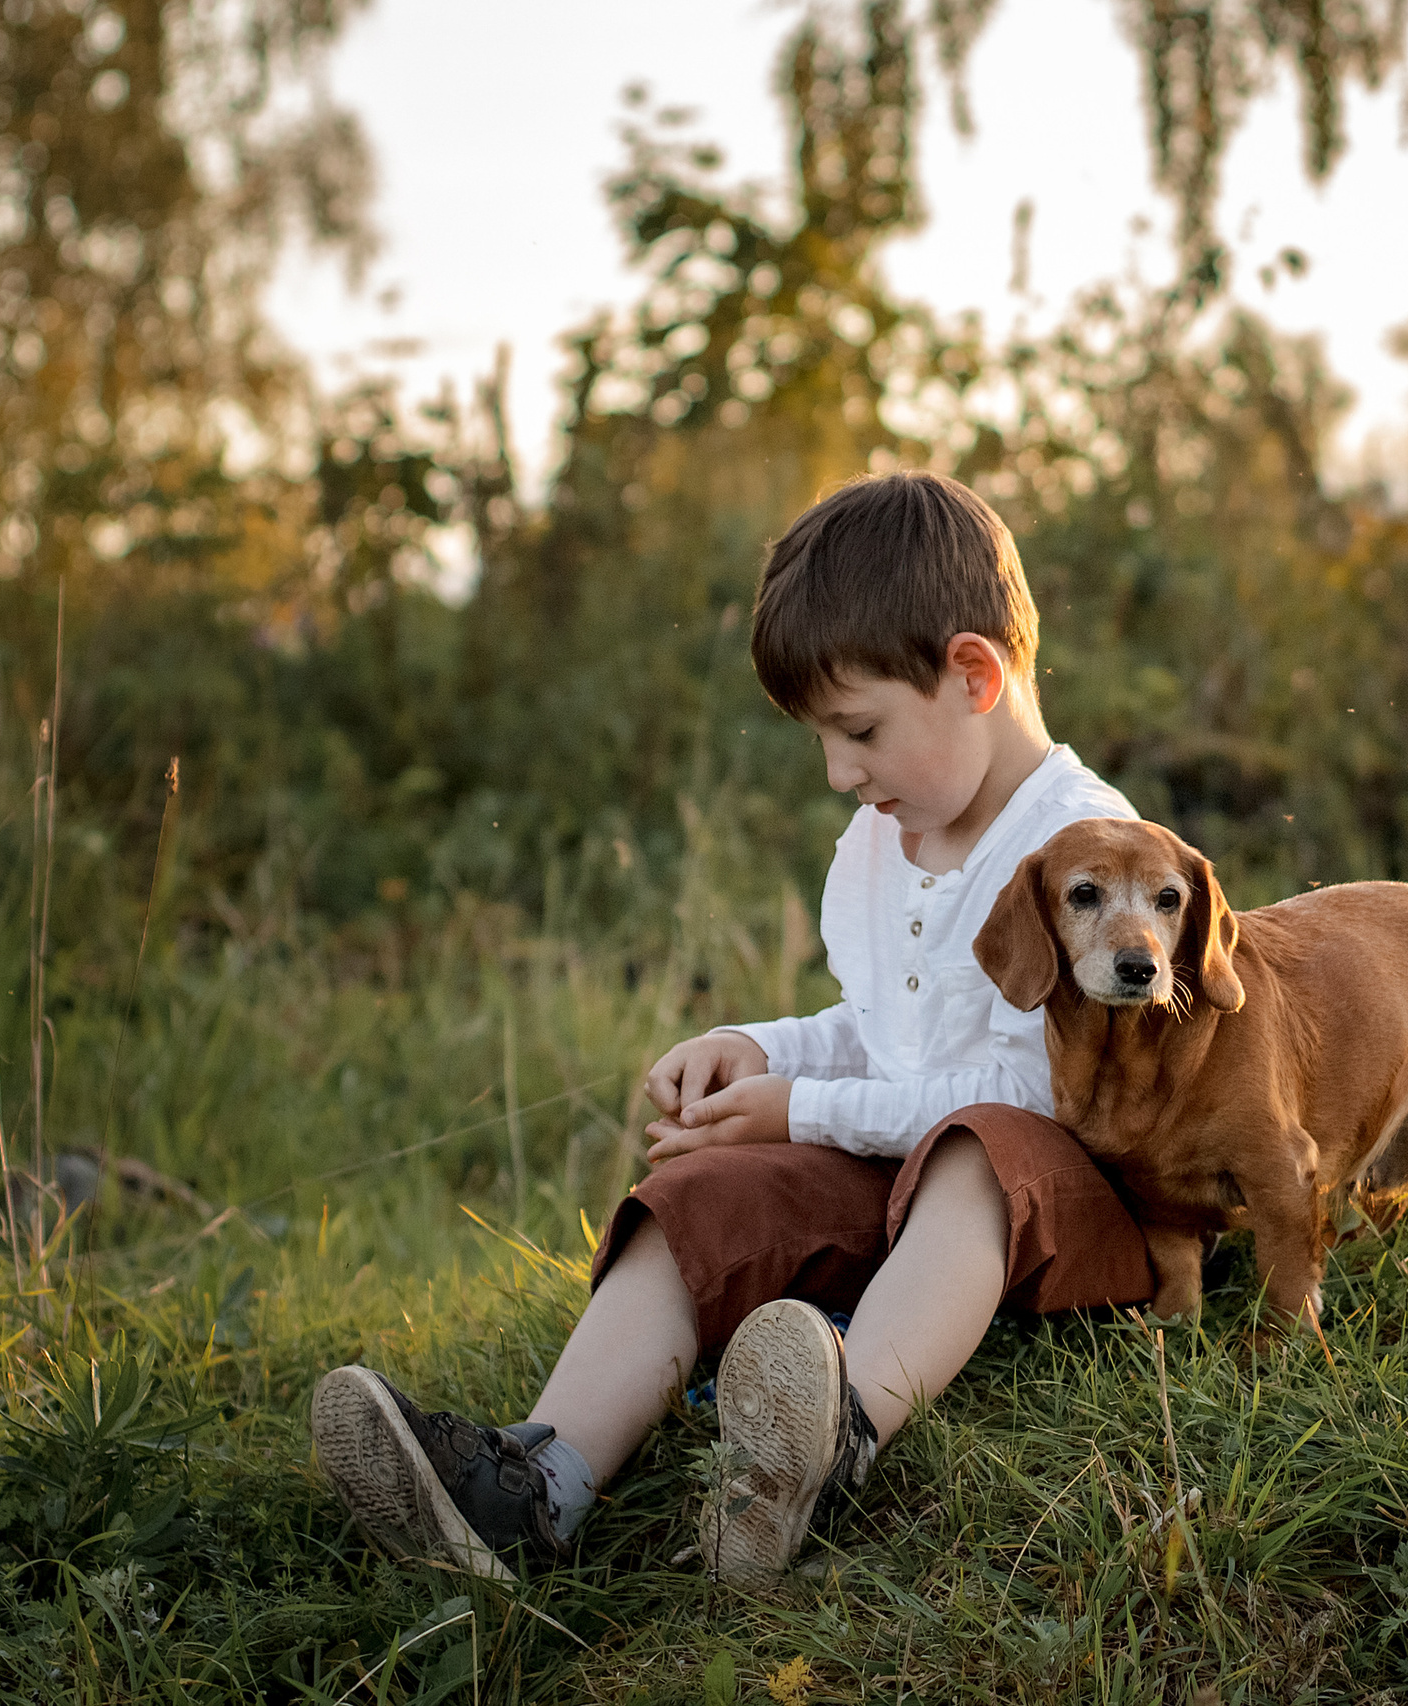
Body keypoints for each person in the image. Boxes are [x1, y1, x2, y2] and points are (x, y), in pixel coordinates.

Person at [310, 470, 1159, 1584]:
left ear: (973, 674)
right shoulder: (880, 839)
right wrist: (767, 1051)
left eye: (858, 729)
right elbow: (885, 1029)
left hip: (1064, 1198)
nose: (839, 771)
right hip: (904, 1175)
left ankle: (832, 1430)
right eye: (822, 738)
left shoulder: (1091, 852)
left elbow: (1034, 1091)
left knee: (976, 1150)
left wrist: (805, 1107)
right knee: (707, 1190)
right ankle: (539, 1479)